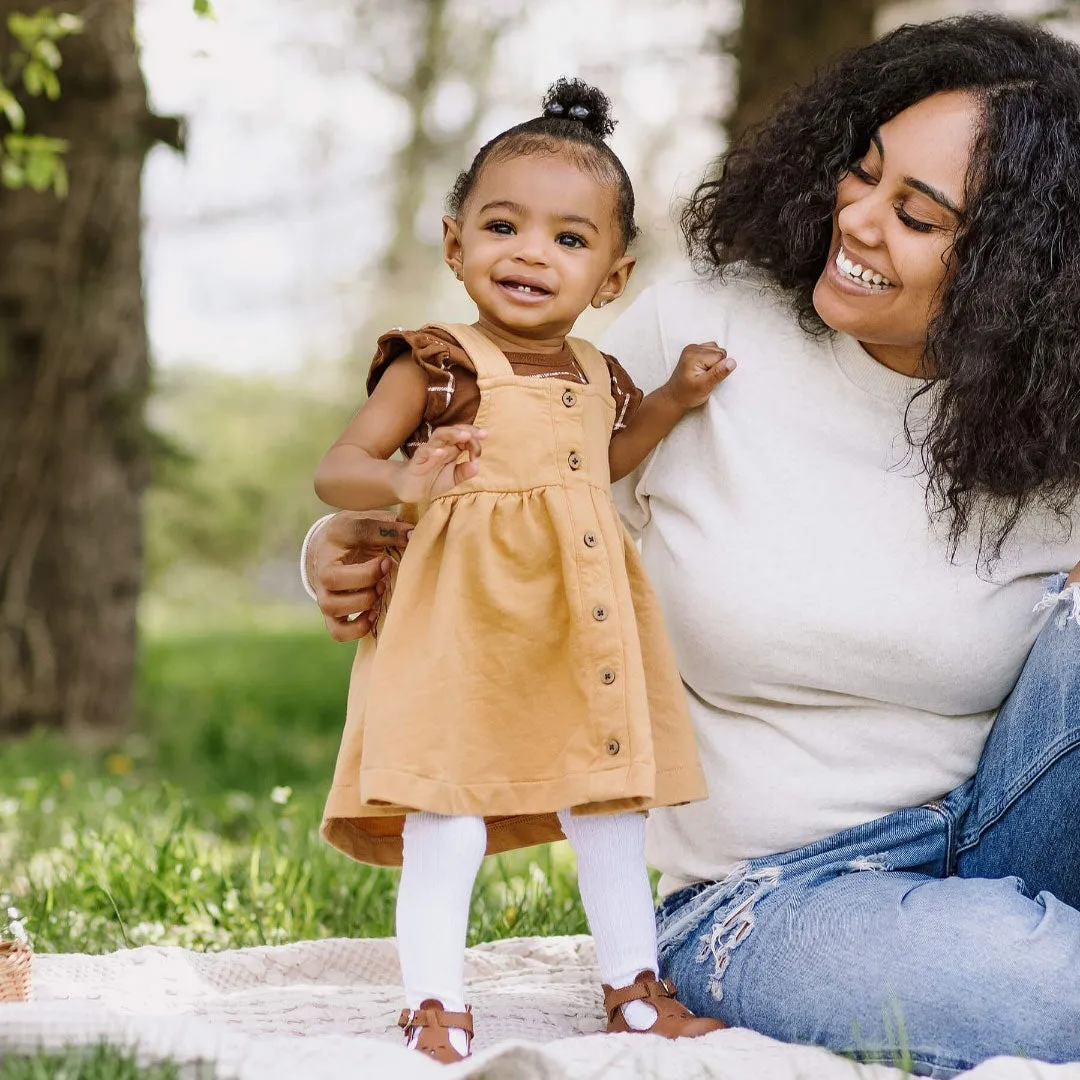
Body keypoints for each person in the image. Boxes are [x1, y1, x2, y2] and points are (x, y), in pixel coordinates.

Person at [305, 15, 1080, 1074]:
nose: (855, 217)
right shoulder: (700, 337)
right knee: (1045, 993)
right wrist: (339, 549)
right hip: (773, 891)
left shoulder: (1051, 417)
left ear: (1017, 268)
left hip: (1002, 822)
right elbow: (512, 496)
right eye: (863, 172)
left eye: (917, 214)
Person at [313, 79, 730, 1063]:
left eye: (571, 240)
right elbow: (338, 467)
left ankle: (632, 989)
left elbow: (603, 463)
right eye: (504, 225)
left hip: (578, 624)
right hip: (464, 629)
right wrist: (406, 477)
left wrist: (668, 399)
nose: (533, 253)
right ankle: (434, 1001)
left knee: (608, 808)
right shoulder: (437, 363)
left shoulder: (596, 371)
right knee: (448, 814)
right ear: (456, 243)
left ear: (614, 276)